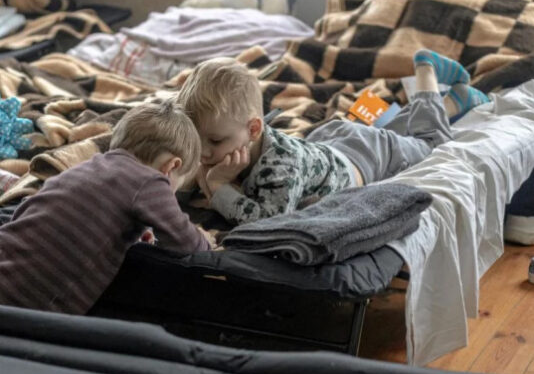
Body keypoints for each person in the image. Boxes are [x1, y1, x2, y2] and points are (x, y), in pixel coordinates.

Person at [177, 50, 490, 225]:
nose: (203, 153)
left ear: (254, 130)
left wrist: (218, 187)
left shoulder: (280, 168)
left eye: (214, 142)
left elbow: (267, 220)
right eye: (196, 139)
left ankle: (426, 70)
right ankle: (454, 102)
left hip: (365, 156)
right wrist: (197, 175)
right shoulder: (228, 139)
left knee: (431, 145)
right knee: (393, 133)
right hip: (330, 140)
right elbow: (184, 181)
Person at [0, 100, 211, 314]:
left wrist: (136, 233)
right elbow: (186, 243)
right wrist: (205, 242)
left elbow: (38, 213)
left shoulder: (84, 168)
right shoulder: (151, 181)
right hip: (23, 306)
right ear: (172, 166)